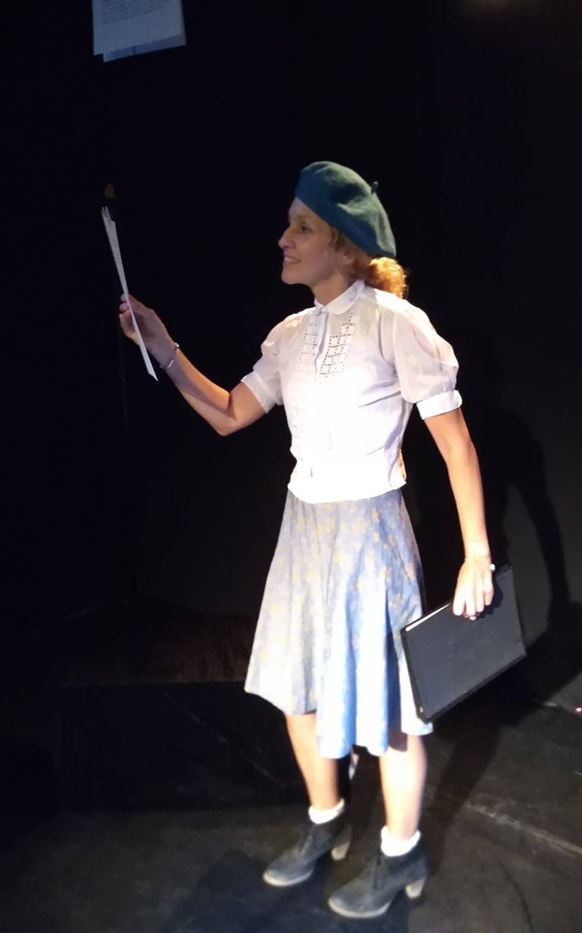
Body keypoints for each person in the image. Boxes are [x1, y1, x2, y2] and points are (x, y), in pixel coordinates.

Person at [119, 160, 494, 920]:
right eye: (288, 224)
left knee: (390, 708)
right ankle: (327, 822)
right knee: (298, 687)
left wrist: (477, 552)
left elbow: (456, 444)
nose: (283, 239)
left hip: (369, 532)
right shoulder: (289, 335)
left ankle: (401, 850)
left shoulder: (396, 324)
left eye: (302, 227)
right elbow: (230, 413)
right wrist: (163, 346)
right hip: (304, 529)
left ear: (344, 246)